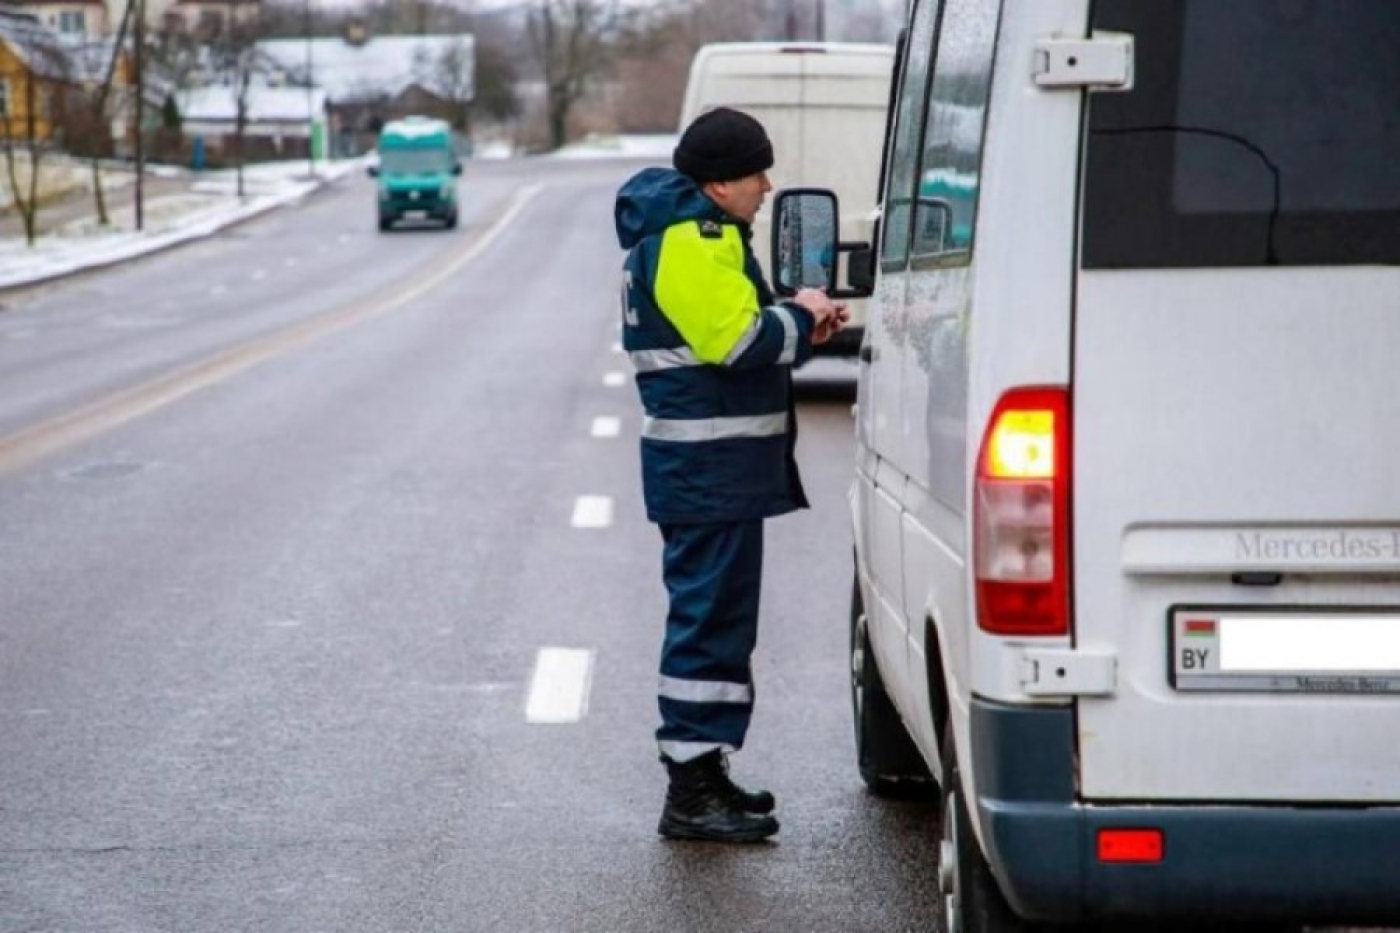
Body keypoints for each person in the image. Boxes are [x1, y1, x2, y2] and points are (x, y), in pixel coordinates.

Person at [613, 107, 848, 843]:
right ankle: (689, 790)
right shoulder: (692, 240)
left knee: (719, 625)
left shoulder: (697, 235)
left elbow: (737, 334)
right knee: (706, 626)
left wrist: (799, 322)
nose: (765, 185)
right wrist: (801, 317)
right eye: (755, 173)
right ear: (717, 183)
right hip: (706, 471)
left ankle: (706, 771)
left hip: (714, 471)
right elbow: (738, 342)